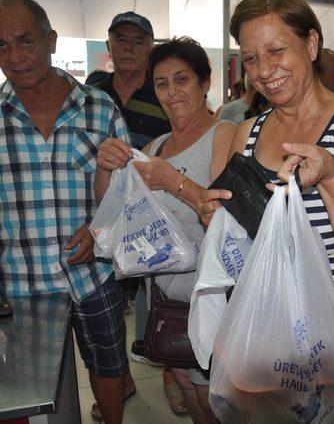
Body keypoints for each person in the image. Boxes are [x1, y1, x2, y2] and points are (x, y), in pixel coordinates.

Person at [200, 0, 334, 422]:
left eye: (276, 50)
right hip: (266, 334)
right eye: (251, 58)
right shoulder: (247, 134)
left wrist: (331, 176)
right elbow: (238, 242)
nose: (264, 70)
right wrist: (215, 219)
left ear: (311, 45)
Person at [0, 0, 131, 423]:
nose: (15, 57)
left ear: (51, 40)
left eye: (25, 41)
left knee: (109, 370)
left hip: (94, 276)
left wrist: (100, 233)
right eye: (1, 47)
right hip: (23, 285)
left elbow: (131, 193)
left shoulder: (100, 108)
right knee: (36, 392)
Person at [96, 36, 236, 424]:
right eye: (161, 84)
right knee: (191, 392)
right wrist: (104, 168)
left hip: (212, 299)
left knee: (216, 399)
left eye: (182, 80)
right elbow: (114, 211)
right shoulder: (155, 147)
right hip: (165, 300)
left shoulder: (225, 135)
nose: (171, 92)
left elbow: (226, 215)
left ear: (204, 83)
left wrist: (174, 181)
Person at [88, 11, 184, 419]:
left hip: (154, 216)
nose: (128, 46)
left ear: (149, 48)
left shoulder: (163, 90)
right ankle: (121, 379)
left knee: (157, 296)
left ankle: (170, 371)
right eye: (120, 39)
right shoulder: (91, 92)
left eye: (138, 40)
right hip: (105, 215)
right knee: (108, 303)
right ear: (108, 46)